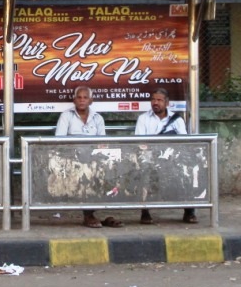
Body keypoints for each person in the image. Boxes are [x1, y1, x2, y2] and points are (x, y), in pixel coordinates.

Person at [55, 86, 123, 229]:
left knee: (115, 168)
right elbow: (59, 142)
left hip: (93, 156)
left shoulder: (98, 118)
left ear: (91, 100)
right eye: (79, 97)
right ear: (74, 100)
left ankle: (98, 213)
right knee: (86, 172)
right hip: (73, 157)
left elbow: (102, 143)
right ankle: (89, 215)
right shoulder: (66, 116)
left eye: (85, 97)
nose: (82, 100)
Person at [134, 85, 194, 225]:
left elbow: (183, 143)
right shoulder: (143, 119)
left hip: (172, 159)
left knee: (187, 171)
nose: (155, 103)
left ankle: (189, 211)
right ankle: (145, 212)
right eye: (153, 100)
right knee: (145, 171)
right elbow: (140, 144)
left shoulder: (177, 120)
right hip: (150, 158)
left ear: (167, 103)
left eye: (159, 100)